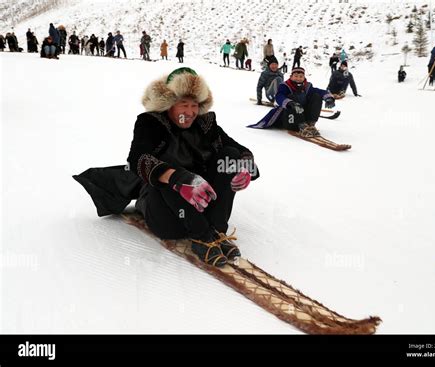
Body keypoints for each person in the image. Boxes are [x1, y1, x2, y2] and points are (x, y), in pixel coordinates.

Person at [73, 67, 260, 268]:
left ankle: (217, 230)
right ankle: (201, 236)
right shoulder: (150, 123)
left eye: (194, 105)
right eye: (183, 105)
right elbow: (138, 159)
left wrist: (245, 166)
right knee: (169, 168)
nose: (190, 112)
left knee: (230, 157)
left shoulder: (205, 124)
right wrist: (178, 178)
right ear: (169, 104)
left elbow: (237, 149)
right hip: (166, 214)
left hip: (201, 203)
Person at [249, 67, 335, 138]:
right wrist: (290, 103)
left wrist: (329, 98)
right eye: (296, 76)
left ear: (304, 77)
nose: (298, 78)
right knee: (292, 97)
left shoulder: (307, 86)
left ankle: (310, 124)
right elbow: (279, 97)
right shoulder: (284, 86)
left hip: (303, 116)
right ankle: (301, 126)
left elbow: (319, 91)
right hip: (290, 120)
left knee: (316, 96)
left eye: (301, 76)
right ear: (291, 76)